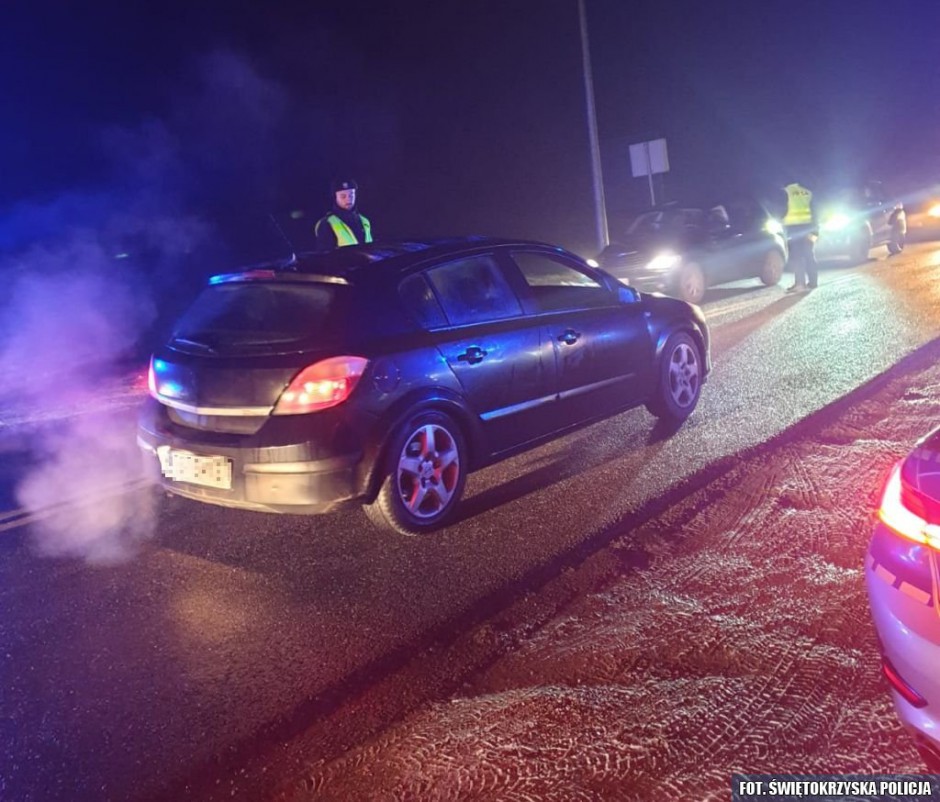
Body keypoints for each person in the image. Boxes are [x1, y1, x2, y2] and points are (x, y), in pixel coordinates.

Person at [314, 178, 373, 250]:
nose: (348, 199)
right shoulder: (326, 223)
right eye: (343, 196)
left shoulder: (364, 220)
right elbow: (325, 257)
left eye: (351, 195)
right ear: (335, 197)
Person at [782, 181, 818, 292]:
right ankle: (813, 282)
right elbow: (816, 212)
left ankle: (799, 284)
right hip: (809, 228)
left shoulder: (786, 192)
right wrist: (816, 232)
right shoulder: (808, 192)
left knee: (797, 257)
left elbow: (781, 210)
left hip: (794, 229)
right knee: (809, 255)